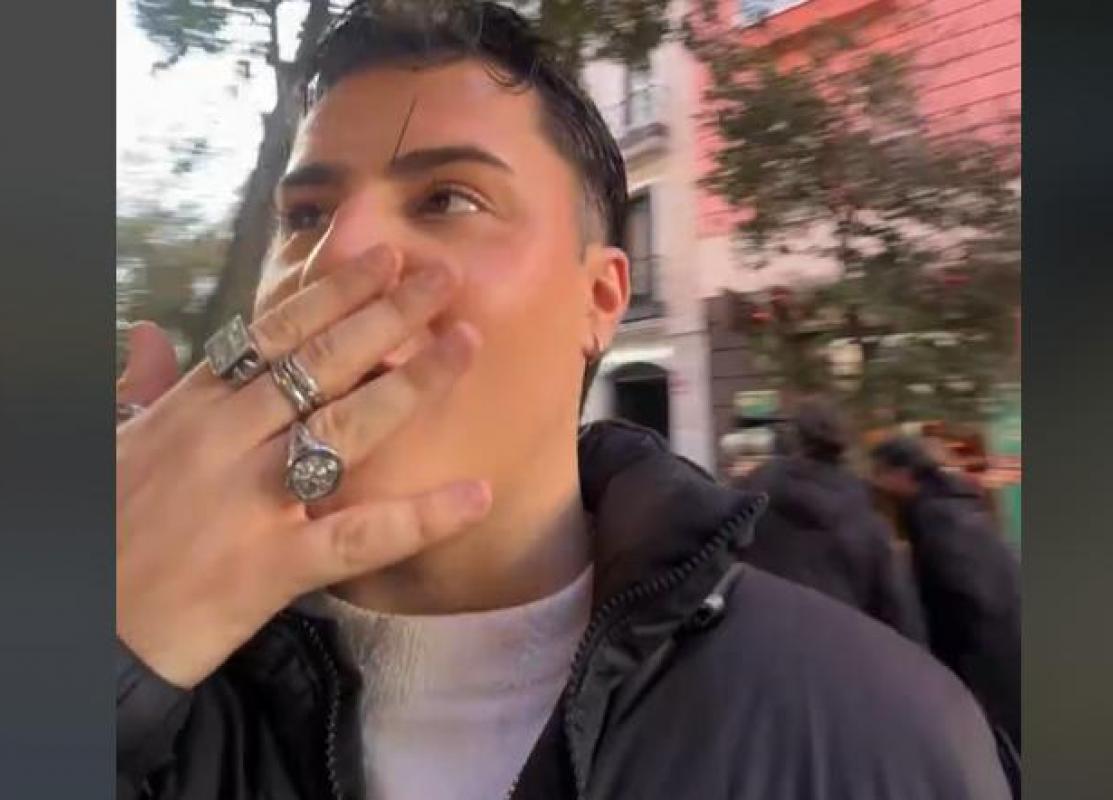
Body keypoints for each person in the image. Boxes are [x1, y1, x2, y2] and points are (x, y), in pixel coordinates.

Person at [116, 3, 1015, 798]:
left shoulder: (877, 730)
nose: (332, 256)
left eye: (446, 199)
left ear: (601, 298)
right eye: (306, 214)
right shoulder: (153, 672)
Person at [870, 437, 1022, 761]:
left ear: (902, 474)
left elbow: (971, 593)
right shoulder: (955, 504)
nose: (877, 483)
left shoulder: (934, 517)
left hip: (987, 662)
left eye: (880, 473)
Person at [736, 399, 928, 644]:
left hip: (761, 645)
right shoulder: (866, 515)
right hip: (843, 650)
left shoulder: (748, 499)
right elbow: (898, 611)